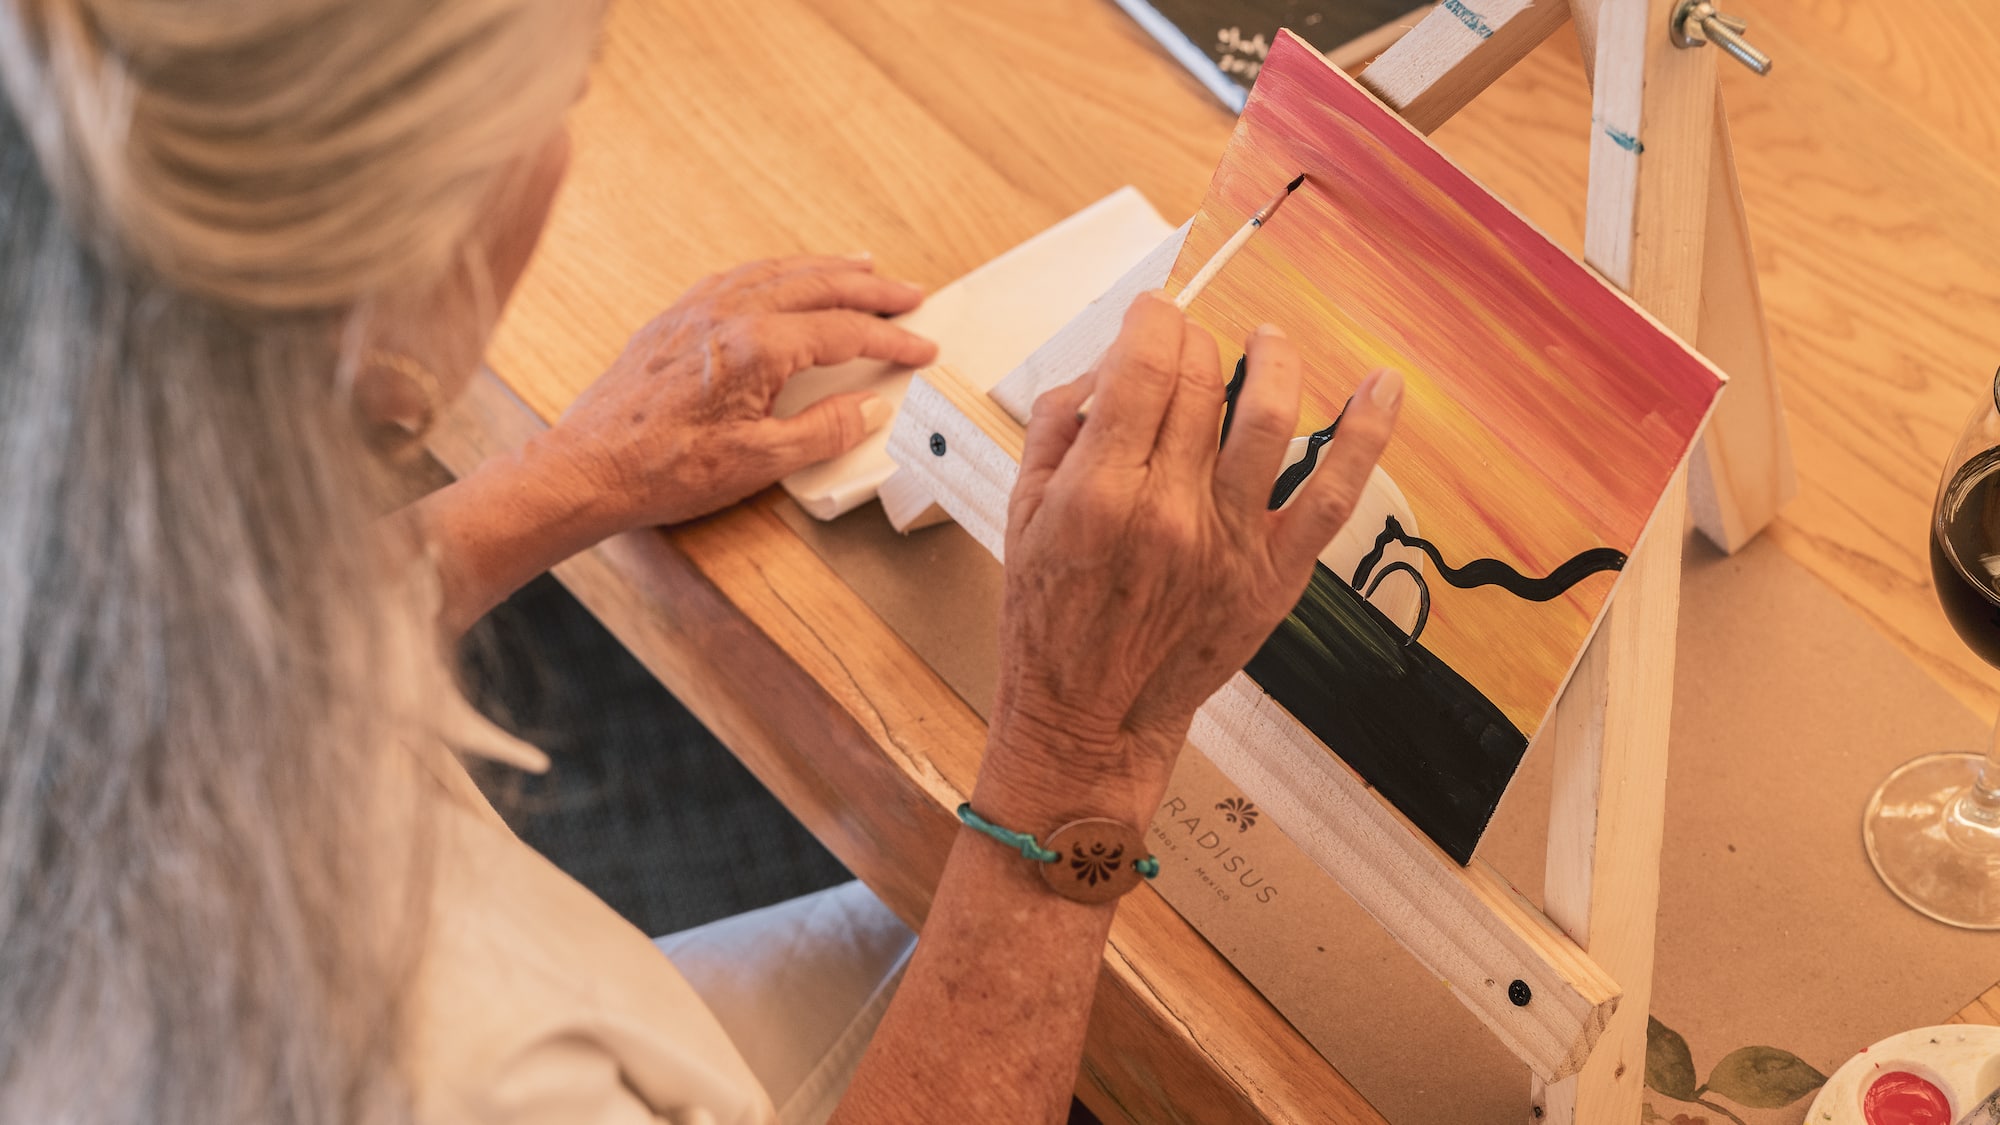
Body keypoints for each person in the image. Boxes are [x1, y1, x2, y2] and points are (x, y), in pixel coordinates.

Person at [0, 2, 1402, 1123]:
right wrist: (1078, 758)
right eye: (566, 92)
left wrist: (564, 475)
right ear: (418, 241)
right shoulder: (472, 1063)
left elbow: (200, 659)